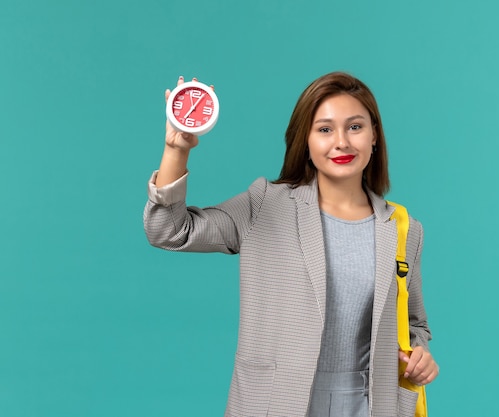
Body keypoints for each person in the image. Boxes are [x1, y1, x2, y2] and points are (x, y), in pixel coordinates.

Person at [144, 72, 439, 417]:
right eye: (325, 129)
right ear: (306, 142)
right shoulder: (265, 204)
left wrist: (419, 356)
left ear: (374, 136)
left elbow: (414, 324)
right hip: (278, 401)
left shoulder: (403, 228)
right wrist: (175, 150)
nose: (341, 142)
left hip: (371, 404)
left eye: (355, 127)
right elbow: (169, 230)